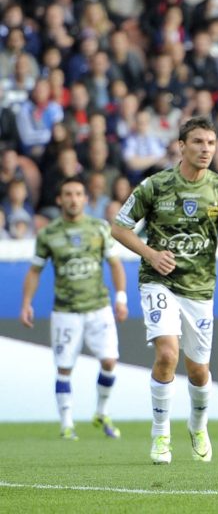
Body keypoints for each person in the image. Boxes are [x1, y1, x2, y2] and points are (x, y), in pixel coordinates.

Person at [111, 117, 218, 465]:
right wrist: (151, 254)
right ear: (181, 146)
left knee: (199, 370)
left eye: (211, 143)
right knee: (167, 355)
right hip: (159, 282)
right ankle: (160, 433)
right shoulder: (155, 186)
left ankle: (198, 426)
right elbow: (119, 228)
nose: (205, 149)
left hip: (199, 289)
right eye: (198, 142)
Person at [19, 176, 128, 440]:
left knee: (110, 361)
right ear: (59, 200)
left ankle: (101, 411)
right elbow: (35, 270)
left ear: (85, 199)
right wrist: (26, 304)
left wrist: (121, 297)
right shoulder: (48, 234)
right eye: (68, 194)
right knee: (65, 367)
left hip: (98, 307)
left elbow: (114, 264)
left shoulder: (99, 228)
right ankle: (66, 422)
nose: (73, 199)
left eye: (78, 194)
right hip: (65, 311)